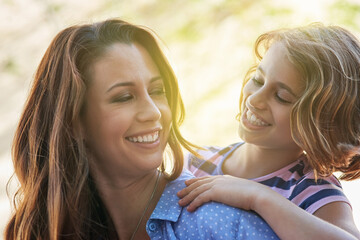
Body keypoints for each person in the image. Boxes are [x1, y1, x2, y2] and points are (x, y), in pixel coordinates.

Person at [4, 18, 280, 240]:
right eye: (124, 97)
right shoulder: (45, 229)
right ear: (74, 123)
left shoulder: (217, 223)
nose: (153, 111)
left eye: (157, 91)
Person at [178, 23, 360, 240]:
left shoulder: (312, 190)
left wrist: (258, 197)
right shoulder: (197, 162)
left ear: (322, 123)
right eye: (258, 80)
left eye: (281, 96)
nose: (254, 99)